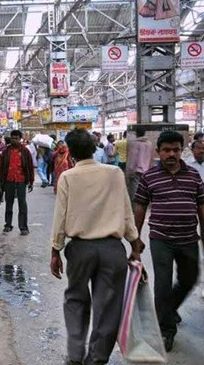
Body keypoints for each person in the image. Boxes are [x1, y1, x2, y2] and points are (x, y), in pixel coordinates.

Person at [51, 128, 144, 365]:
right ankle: (96, 358)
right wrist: (134, 243)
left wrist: (56, 250)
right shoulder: (114, 173)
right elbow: (126, 212)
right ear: (95, 148)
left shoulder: (68, 177)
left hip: (80, 250)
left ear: (70, 152)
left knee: (76, 300)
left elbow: (60, 217)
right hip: (112, 249)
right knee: (108, 307)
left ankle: (74, 355)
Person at [133, 131, 203, 352]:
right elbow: (140, 207)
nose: (171, 154)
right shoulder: (149, 177)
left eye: (175, 150)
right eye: (167, 150)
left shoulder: (193, 176)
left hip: (189, 238)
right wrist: (136, 240)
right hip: (160, 239)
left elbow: (202, 208)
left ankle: (167, 310)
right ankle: (166, 329)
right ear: (159, 152)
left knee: (190, 278)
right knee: (162, 284)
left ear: (182, 150)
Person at [0, 130, 34, 235]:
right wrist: (0, 182)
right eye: (13, 138)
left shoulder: (25, 151)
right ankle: (8, 225)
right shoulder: (6, 151)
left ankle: (23, 227)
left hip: (21, 180)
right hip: (9, 180)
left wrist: (31, 181)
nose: (14, 140)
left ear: (20, 139)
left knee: (22, 204)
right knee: (8, 203)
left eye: (16, 138)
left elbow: (30, 166)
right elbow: (1, 168)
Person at [126, 126, 154, 202]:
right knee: (144, 191)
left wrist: (129, 172)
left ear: (136, 133)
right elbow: (151, 158)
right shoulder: (149, 144)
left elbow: (133, 159)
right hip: (146, 171)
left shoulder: (134, 144)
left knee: (134, 193)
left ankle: (135, 211)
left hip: (136, 172)